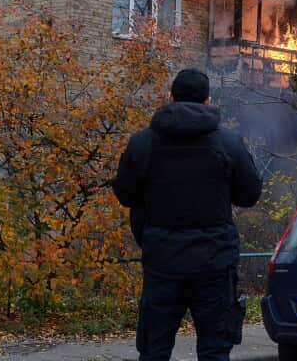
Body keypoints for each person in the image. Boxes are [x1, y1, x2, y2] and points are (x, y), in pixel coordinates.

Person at [112, 68, 263, 361]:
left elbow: (126, 195)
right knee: (215, 351)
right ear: (207, 100)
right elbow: (250, 195)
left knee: (154, 350)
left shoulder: (143, 143)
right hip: (214, 263)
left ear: (171, 98)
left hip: (162, 261)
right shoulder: (229, 143)